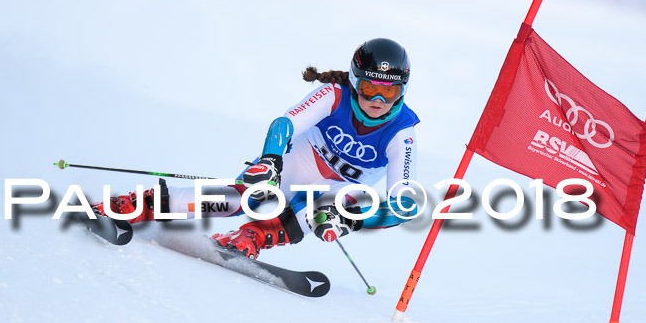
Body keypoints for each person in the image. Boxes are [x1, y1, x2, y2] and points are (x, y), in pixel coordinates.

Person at [93, 38, 420, 259]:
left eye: (388, 93)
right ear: (353, 81)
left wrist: (357, 220)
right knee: (240, 196)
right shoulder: (335, 95)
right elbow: (285, 124)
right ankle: (146, 204)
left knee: (330, 208)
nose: (377, 101)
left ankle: (251, 237)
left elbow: (403, 204)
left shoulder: (402, 132)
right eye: (368, 88)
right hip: (302, 159)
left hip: (339, 187)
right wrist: (270, 161)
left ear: (401, 91)